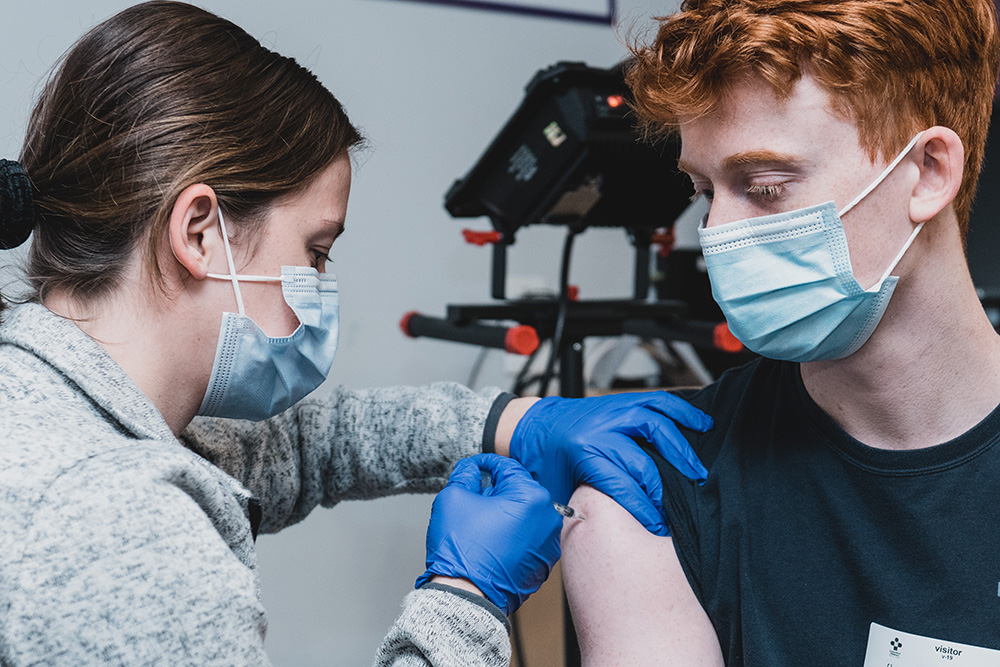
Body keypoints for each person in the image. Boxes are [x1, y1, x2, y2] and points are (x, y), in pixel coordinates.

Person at [0, 2, 714, 665]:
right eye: (315, 251)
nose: (320, 280)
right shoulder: (117, 528)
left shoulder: (44, 403)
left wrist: (510, 422)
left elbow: (314, 445)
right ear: (198, 232)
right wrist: (465, 600)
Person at [559, 0, 1000, 665]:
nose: (716, 233)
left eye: (764, 186)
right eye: (705, 190)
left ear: (929, 171)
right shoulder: (651, 491)